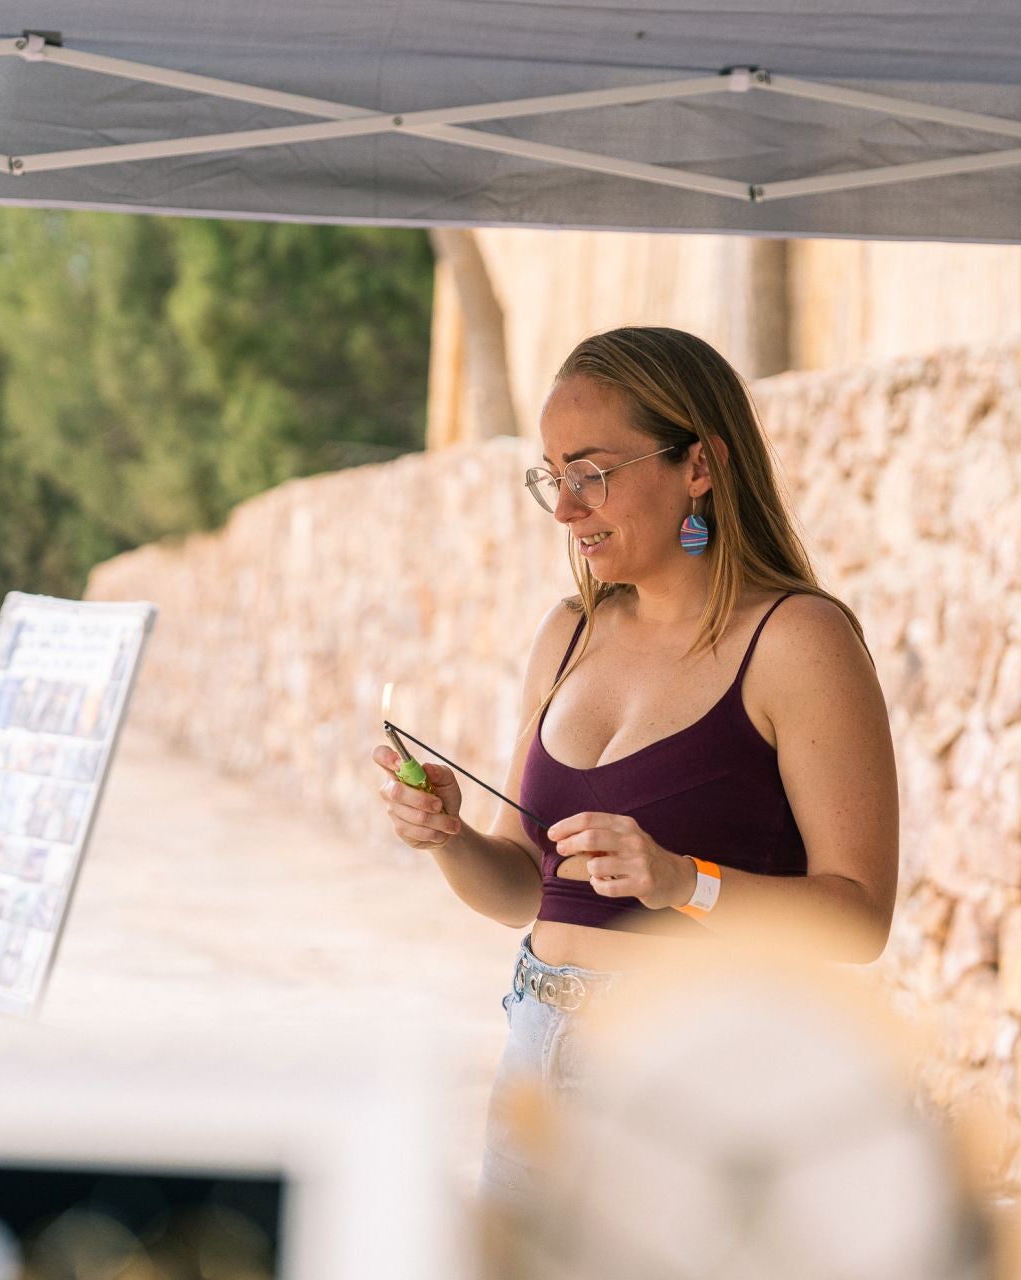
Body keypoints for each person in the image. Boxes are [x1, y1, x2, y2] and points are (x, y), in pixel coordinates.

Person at [369, 325, 900, 1204]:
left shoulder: (797, 641)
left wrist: (683, 881)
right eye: (552, 475)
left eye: (592, 472)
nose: (566, 508)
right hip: (535, 1059)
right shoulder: (567, 632)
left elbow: (859, 921)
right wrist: (450, 837)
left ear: (699, 465)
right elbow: (523, 891)